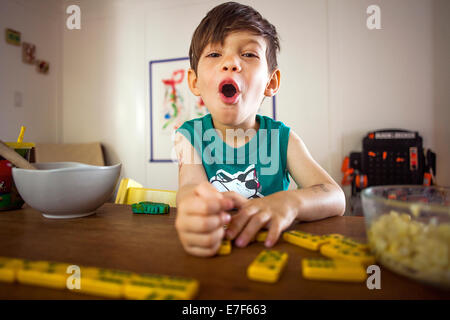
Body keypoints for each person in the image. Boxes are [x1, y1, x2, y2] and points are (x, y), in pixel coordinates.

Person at [173, 1, 345, 257]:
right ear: (195, 81)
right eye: (214, 54)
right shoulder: (187, 137)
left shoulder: (282, 139)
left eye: (248, 54)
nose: (231, 63)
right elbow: (189, 187)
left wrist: (291, 202)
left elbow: (335, 197)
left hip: (273, 252)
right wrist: (192, 212)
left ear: (271, 82)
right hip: (219, 253)